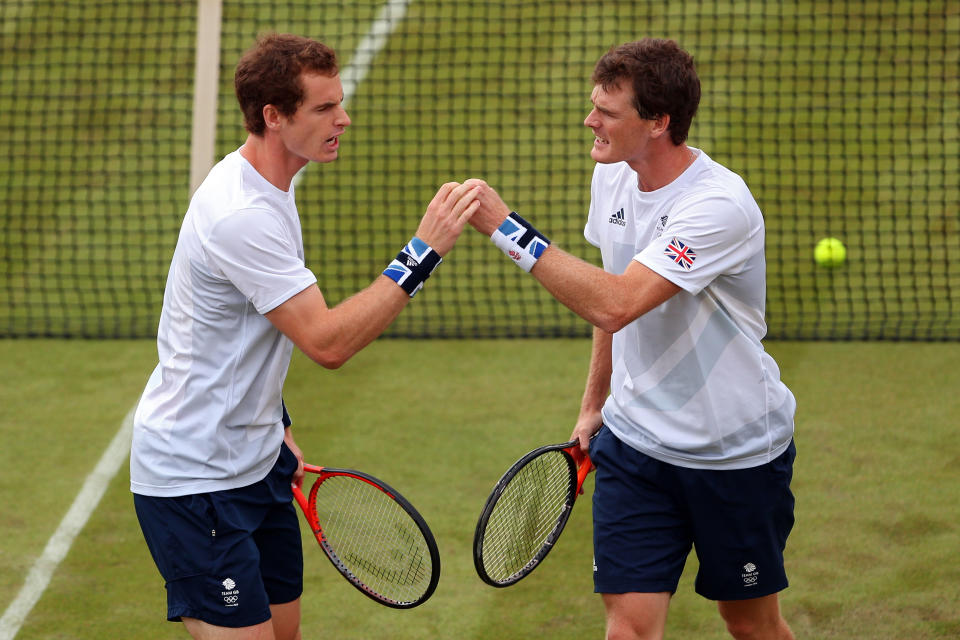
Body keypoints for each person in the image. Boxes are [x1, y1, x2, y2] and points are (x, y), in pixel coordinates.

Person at [130, 33, 478, 639]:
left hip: (257, 463)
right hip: (196, 481)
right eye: (323, 108)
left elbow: (249, 329)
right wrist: (423, 252)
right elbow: (326, 342)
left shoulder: (273, 186)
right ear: (273, 116)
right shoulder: (242, 216)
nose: (343, 118)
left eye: (339, 103)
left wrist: (277, 422)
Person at [464, 38, 796, 640]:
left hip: (735, 455)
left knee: (751, 625)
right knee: (629, 630)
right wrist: (595, 402)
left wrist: (505, 230)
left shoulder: (717, 206)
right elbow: (608, 293)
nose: (590, 121)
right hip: (636, 446)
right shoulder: (613, 175)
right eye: (594, 105)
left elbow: (616, 303)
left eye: (608, 112)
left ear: (659, 123)